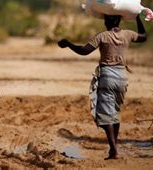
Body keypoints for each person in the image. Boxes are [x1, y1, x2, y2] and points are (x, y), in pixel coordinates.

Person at [58, 14, 147, 160]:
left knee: (105, 115)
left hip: (107, 77)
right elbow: (144, 36)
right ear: (119, 21)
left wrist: (68, 43)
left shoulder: (103, 36)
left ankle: (113, 149)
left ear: (106, 22)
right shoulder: (128, 34)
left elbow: (84, 51)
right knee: (115, 112)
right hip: (122, 77)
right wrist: (137, 18)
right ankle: (114, 147)